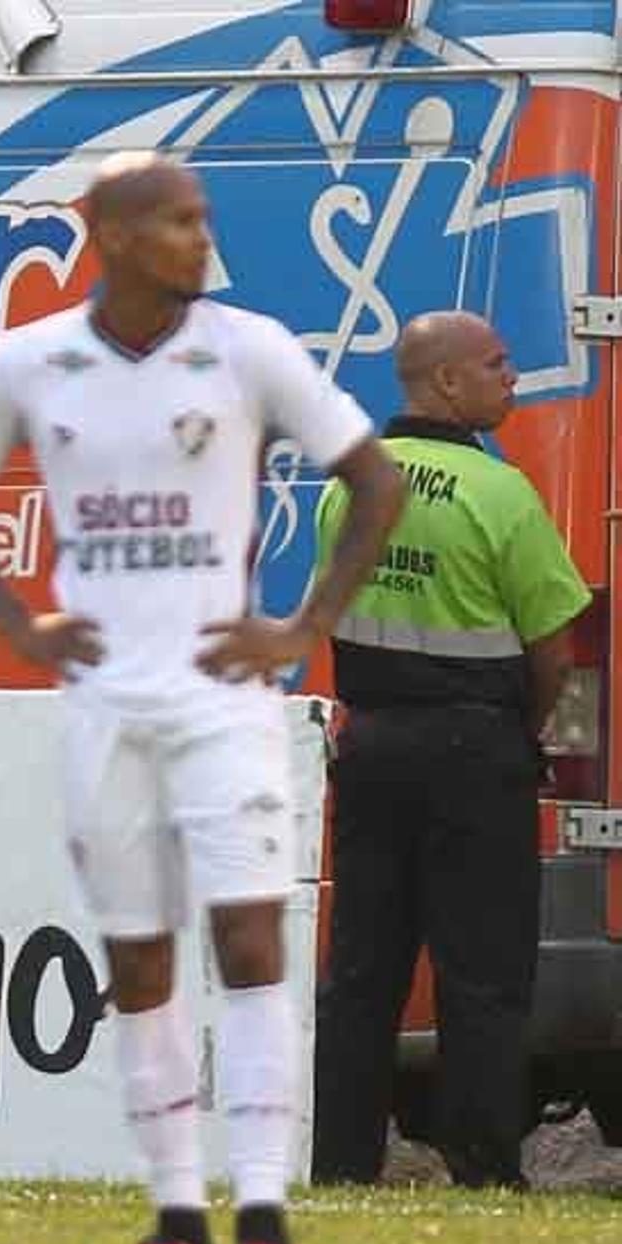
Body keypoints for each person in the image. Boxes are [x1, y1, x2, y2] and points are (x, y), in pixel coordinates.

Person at [0, 153, 404, 1244]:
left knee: (249, 940)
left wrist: (301, 624)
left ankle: (270, 1227)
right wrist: (15, 623)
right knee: (138, 961)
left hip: (223, 699)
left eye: (202, 220)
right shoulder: (32, 361)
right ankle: (176, 1222)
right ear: (112, 232)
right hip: (102, 703)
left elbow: (374, 479)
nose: (202, 240)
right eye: (180, 222)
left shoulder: (247, 350)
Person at [310, 312, 590, 1190]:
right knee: (482, 973)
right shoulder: (498, 494)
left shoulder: (343, 488)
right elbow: (557, 648)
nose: (512, 378)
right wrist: (533, 731)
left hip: (372, 747)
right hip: (475, 752)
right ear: (445, 384)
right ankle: (483, 1168)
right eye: (496, 365)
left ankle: (341, 1163)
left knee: (362, 969)